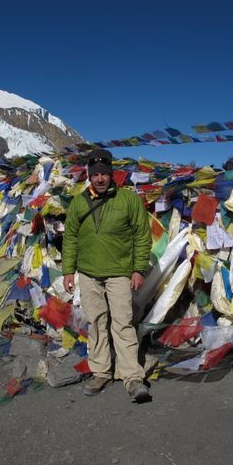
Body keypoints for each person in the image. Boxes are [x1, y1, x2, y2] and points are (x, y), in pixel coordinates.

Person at [62, 149, 152, 402]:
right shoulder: (79, 203)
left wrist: (138, 269)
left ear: (112, 175)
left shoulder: (128, 200)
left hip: (120, 273)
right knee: (96, 323)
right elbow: (70, 238)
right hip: (89, 273)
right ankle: (101, 372)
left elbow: (142, 235)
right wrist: (68, 270)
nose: (100, 179)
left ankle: (132, 377)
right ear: (89, 176)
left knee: (123, 322)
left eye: (104, 174)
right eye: (95, 174)